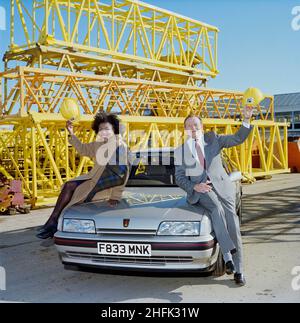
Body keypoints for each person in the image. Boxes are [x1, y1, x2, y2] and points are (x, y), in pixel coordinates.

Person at [174, 106, 253, 286]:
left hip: (223, 189)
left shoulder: (214, 140)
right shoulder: (180, 151)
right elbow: (179, 178)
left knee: (233, 226)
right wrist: (195, 185)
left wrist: (246, 120)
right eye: (188, 126)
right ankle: (228, 256)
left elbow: (238, 138)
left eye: (195, 125)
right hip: (201, 192)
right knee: (215, 208)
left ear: (202, 127)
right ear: (184, 130)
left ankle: (237, 268)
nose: (192, 129)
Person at [36, 112, 130, 239]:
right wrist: (71, 132)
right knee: (69, 186)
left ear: (114, 129)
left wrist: (116, 196)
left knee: (72, 192)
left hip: (105, 186)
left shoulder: (120, 146)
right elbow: (83, 150)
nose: (104, 132)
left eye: (107, 128)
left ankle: (53, 222)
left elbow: (122, 174)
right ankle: (53, 221)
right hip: (92, 178)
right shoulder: (99, 143)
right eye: (101, 129)